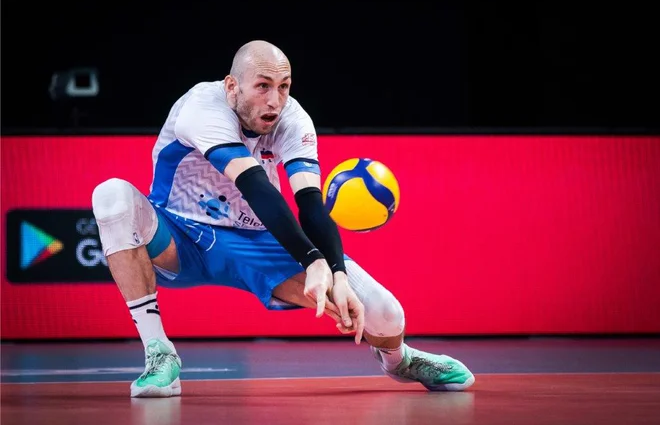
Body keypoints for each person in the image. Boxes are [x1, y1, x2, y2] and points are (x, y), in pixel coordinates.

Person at [91, 40, 475, 398]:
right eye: (262, 86)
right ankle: (160, 353)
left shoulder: (293, 119)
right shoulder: (201, 108)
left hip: (258, 243)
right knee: (111, 195)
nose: (275, 101)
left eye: (284, 86)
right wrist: (313, 260)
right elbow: (257, 188)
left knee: (388, 315)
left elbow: (309, 203)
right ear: (231, 87)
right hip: (179, 235)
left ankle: (399, 361)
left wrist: (335, 272)